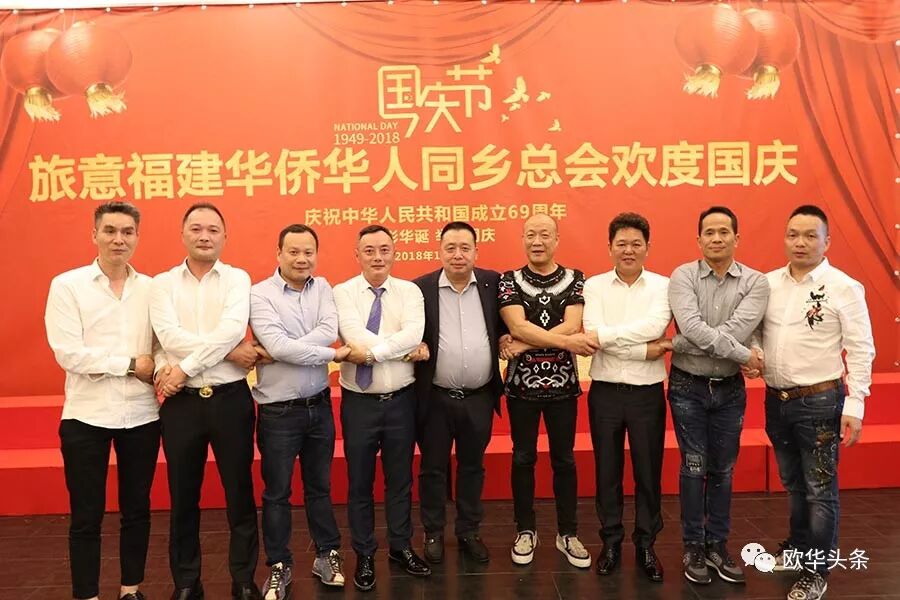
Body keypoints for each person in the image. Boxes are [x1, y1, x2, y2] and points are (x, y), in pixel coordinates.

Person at [747, 205, 875, 600]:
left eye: (809, 235)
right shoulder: (768, 283)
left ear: (826, 241)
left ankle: (817, 571)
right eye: (793, 235)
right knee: (793, 483)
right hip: (777, 400)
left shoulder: (843, 286)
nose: (799, 242)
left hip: (820, 400)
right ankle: (799, 548)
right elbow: (755, 332)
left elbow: (861, 348)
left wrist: (855, 404)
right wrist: (754, 354)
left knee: (820, 489)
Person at [45, 202, 160, 600]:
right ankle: (87, 594)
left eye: (127, 232)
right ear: (94, 234)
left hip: (141, 414)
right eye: (110, 231)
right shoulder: (68, 285)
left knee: (137, 510)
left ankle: (131, 589)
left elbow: (161, 346)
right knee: (86, 515)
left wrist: (159, 365)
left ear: (137, 237)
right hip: (85, 415)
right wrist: (129, 365)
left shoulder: (152, 289)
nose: (118, 239)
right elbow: (69, 354)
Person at [150, 203, 262, 600]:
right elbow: (168, 336)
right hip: (182, 404)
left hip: (230, 400)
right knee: (183, 496)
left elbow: (232, 329)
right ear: (182, 234)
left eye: (213, 230)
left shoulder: (237, 279)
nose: (204, 236)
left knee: (240, 492)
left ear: (225, 237)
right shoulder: (162, 284)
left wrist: (183, 367)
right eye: (196, 228)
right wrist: (224, 352)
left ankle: (243, 579)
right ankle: (186, 581)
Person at [667, 206, 768, 586]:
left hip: (729, 388)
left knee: (723, 470)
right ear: (698, 240)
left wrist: (680, 343)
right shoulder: (683, 276)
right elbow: (691, 326)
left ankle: (718, 544)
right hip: (687, 386)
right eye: (709, 232)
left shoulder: (756, 282)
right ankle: (693, 545)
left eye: (724, 232)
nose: (716, 238)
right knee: (694, 465)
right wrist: (744, 355)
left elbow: (736, 329)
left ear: (736, 238)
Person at [249, 224, 351, 598]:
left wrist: (288, 349)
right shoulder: (258, 294)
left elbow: (325, 330)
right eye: (293, 251)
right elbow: (279, 344)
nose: (301, 259)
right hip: (278, 412)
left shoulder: (323, 288)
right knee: (277, 493)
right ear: (278, 253)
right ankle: (279, 565)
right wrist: (329, 355)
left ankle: (327, 555)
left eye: (308, 252)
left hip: (318, 406)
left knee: (319, 488)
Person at [333, 224, 430, 591]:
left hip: (401, 401)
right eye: (369, 250)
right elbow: (353, 335)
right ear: (357, 255)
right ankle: (364, 553)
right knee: (360, 482)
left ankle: (401, 547)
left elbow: (413, 334)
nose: (377, 257)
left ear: (394, 253)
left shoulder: (410, 292)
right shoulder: (342, 292)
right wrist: (399, 348)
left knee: (400, 479)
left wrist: (373, 354)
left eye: (384, 250)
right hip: (359, 403)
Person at [498, 213, 598, 568]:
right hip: (521, 387)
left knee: (564, 459)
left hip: (563, 386)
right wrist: (562, 342)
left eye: (544, 234)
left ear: (557, 239)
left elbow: (573, 324)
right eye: (530, 234)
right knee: (522, 458)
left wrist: (525, 344)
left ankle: (567, 533)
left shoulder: (575, 279)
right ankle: (525, 530)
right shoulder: (508, 280)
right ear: (523, 239)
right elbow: (516, 324)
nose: (537, 241)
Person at [582, 212, 671, 582]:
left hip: (647, 393)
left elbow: (655, 326)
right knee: (607, 472)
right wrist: (643, 349)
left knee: (648, 472)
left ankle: (647, 544)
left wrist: (610, 338)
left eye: (636, 243)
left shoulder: (663, 286)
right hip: (604, 392)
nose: (629, 250)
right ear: (610, 247)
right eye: (622, 243)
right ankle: (611, 542)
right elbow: (591, 331)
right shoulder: (594, 286)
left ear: (648, 247)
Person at [413, 221, 504, 565]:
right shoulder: (420, 288)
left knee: (472, 467)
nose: (458, 254)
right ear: (439, 251)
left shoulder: (493, 283)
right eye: (450, 247)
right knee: (433, 468)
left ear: (476, 251)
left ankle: (468, 531)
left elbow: (505, 323)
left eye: (465, 247)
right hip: (436, 397)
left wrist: (506, 337)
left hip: (479, 397)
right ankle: (433, 532)